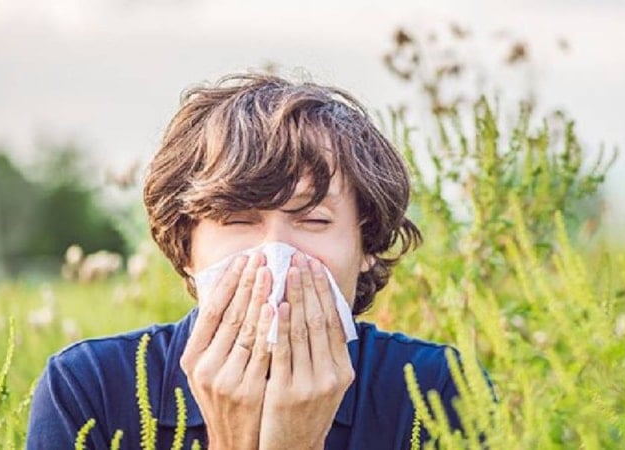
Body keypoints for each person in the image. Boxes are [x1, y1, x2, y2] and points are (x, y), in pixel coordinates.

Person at [27, 73, 466, 449]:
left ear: (366, 244)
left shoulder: (435, 391)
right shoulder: (90, 390)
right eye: (238, 219)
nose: (275, 253)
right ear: (186, 249)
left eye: (313, 219)